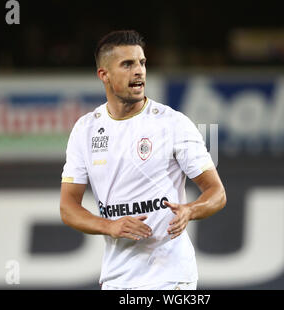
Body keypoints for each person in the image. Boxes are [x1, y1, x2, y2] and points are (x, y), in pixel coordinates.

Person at [59, 30, 226, 290]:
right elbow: (68, 207)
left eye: (142, 62)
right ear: (104, 75)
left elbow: (217, 192)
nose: (139, 71)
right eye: (127, 64)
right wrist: (109, 226)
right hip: (117, 279)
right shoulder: (85, 130)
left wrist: (189, 210)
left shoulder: (173, 123)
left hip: (170, 277)